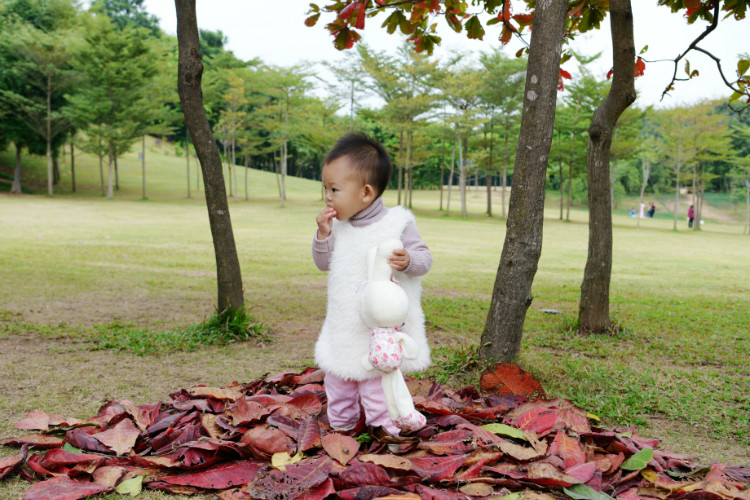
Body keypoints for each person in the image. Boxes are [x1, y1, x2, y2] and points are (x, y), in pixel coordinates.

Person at [312, 132, 432, 437]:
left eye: (335, 189)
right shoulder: (339, 227)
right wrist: (323, 235)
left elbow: (424, 258)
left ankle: (384, 430)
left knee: (376, 383)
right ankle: (341, 427)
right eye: (325, 188)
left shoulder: (397, 223)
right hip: (344, 323)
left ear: (366, 192)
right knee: (338, 378)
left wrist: (408, 261)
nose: (327, 196)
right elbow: (324, 263)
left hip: (379, 330)